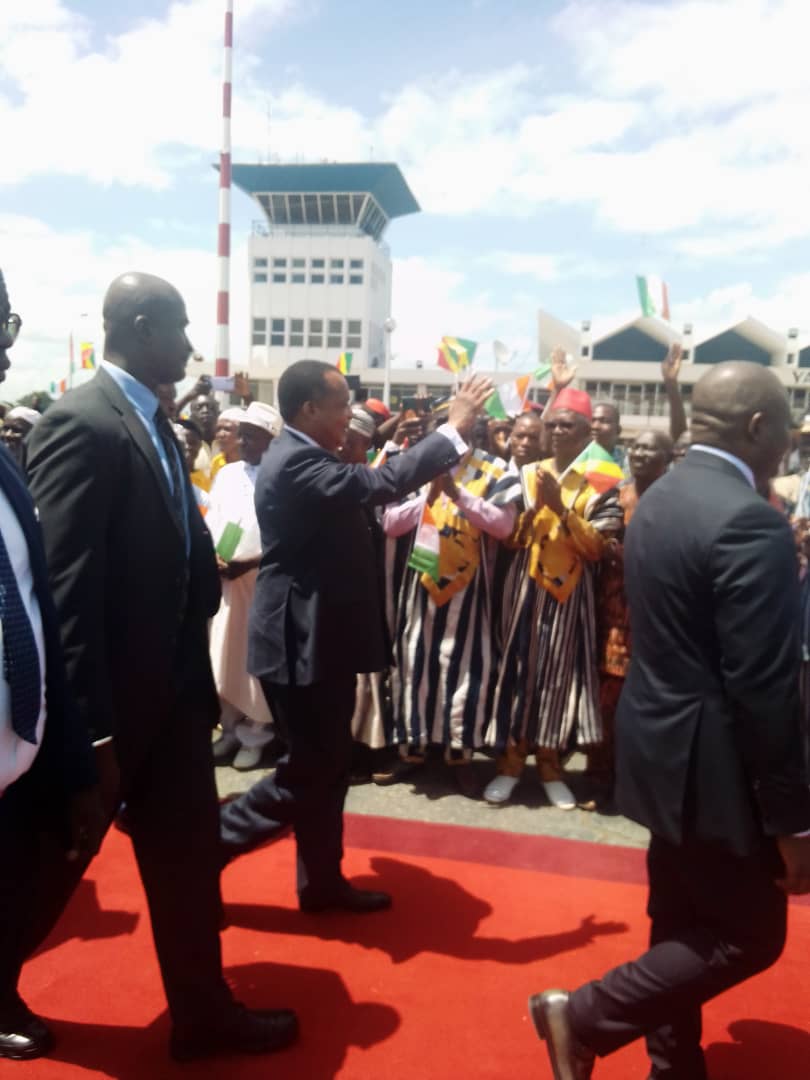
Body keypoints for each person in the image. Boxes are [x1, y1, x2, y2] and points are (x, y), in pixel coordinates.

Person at [26, 272, 298, 1063]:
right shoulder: (85, 424)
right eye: (179, 328)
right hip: (113, 711)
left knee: (185, 861)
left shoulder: (151, 421)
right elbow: (67, 588)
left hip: (175, 700)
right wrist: (94, 730)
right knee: (53, 861)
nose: (189, 346)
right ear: (143, 327)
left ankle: (203, 1013)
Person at [529, 360, 810, 1080]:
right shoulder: (754, 523)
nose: (789, 442)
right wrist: (792, 821)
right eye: (785, 428)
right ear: (758, 428)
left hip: (659, 749)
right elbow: (764, 689)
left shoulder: (661, 493)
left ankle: (672, 1063)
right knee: (747, 939)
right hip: (717, 770)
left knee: (679, 917)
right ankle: (584, 1015)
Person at [219, 361, 493, 910]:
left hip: (319, 641)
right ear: (308, 409)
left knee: (328, 766)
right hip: (301, 644)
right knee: (309, 771)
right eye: (342, 403)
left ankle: (320, 884)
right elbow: (380, 483)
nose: (351, 414)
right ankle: (203, 843)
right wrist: (454, 428)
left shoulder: (306, 455)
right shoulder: (296, 460)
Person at [0, 271, 105, 1061]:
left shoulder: (8, 466)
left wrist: (64, 749)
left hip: (18, 750)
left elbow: (37, 606)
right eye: (2, 322)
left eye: (10, 322)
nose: (10, 344)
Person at [485, 388, 622, 809]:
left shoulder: (603, 476)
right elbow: (510, 538)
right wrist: (528, 515)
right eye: (553, 425)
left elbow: (601, 547)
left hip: (570, 592)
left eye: (568, 426)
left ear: (586, 433)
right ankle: (509, 765)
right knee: (517, 673)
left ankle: (549, 766)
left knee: (558, 680)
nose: (558, 432)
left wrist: (561, 509)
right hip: (524, 588)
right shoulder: (527, 471)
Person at [383, 406, 514, 797]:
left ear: (473, 432)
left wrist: (459, 497)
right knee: (414, 665)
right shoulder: (413, 465)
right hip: (420, 583)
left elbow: (505, 526)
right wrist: (428, 499)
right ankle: (413, 750)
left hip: (470, 590)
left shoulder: (494, 469)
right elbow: (390, 523)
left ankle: (460, 755)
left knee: (467, 672)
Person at [581, 430, 673, 813]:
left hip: (660, 617)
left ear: (667, 457)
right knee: (609, 702)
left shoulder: (676, 499)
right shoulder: (616, 495)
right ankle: (601, 778)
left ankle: (643, 785)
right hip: (615, 612)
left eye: (649, 447)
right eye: (635, 446)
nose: (639, 452)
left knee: (653, 706)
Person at [208, 402, 282, 770]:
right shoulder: (227, 473)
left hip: (260, 582)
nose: (244, 441)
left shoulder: (282, 476)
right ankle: (231, 729)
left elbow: (286, 538)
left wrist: (249, 563)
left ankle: (257, 734)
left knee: (254, 663)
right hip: (226, 582)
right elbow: (215, 521)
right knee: (224, 656)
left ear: (272, 440)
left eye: (253, 435)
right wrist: (215, 559)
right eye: (243, 434)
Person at [210, 405, 247, 482]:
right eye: (218, 429)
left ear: (241, 433)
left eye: (227, 429)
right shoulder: (216, 462)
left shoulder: (252, 463)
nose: (221, 434)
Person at [590, 402, 626, 472]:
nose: (595, 426)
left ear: (618, 430)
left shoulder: (628, 465)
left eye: (604, 421)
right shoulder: (575, 460)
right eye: (592, 421)